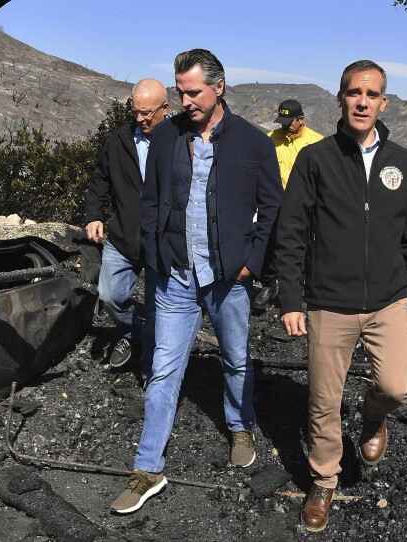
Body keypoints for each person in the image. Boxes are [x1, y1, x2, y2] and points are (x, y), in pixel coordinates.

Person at [110, 48, 282, 514]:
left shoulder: (252, 143)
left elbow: (273, 208)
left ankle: (240, 425)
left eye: (193, 91)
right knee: (164, 368)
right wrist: (155, 253)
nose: (185, 100)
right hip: (175, 277)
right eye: (180, 92)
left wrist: (251, 262)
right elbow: (151, 201)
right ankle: (147, 467)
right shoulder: (166, 136)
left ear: (219, 87)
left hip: (229, 277)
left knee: (236, 357)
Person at [274, 60, 407, 532]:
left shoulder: (402, 161)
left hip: (388, 298)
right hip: (328, 301)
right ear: (340, 99)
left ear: (383, 102)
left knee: (398, 386)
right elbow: (291, 233)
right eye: (354, 93)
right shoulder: (315, 159)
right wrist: (290, 300)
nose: (363, 101)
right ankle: (324, 481)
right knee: (322, 400)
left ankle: (373, 418)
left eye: (372, 94)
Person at [84, 79, 169, 378]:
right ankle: (131, 332)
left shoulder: (180, 140)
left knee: (160, 310)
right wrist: (94, 214)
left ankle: (151, 370)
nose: (140, 118)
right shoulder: (118, 140)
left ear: (165, 109)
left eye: (147, 112)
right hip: (123, 236)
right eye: (136, 111)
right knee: (109, 294)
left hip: (163, 242)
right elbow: (100, 180)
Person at [252, 99, 323, 309]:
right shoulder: (270, 140)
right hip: (274, 203)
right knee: (269, 243)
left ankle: (295, 292)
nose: (284, 126)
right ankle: (268, 285)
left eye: (289, 121)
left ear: (301, 119)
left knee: (300, 248)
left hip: (304, 205)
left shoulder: (316, 143)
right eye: (281, 121)